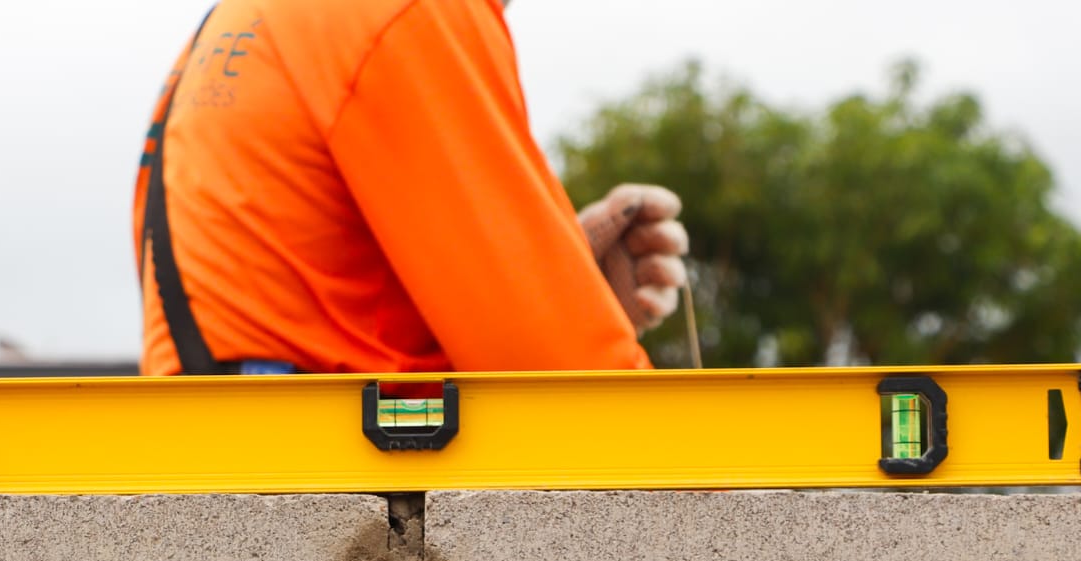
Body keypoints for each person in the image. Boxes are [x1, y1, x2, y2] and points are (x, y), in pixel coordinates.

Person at [134, 0, 689, 376]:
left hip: (225, 448)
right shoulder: (412, 12)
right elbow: (561, 381)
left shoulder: (245, 22)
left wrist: (567, 279)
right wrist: (716, 493)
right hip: (309, 473)